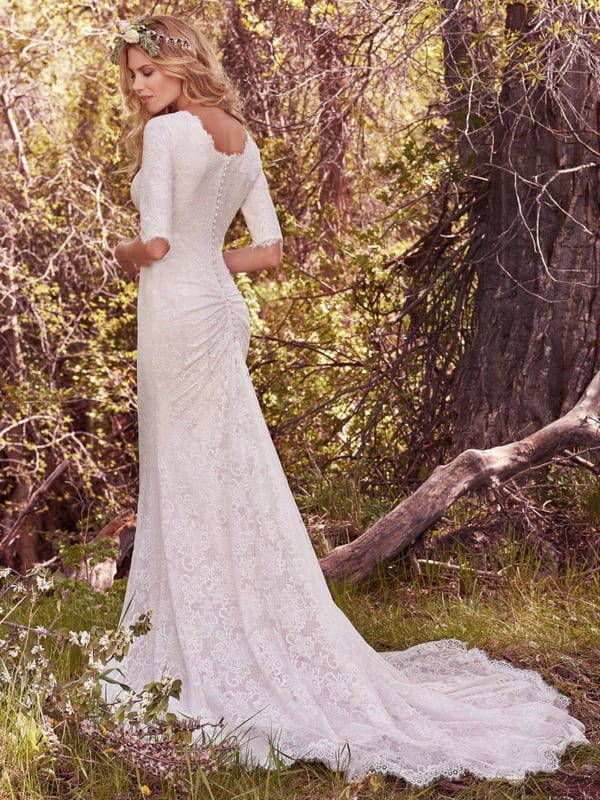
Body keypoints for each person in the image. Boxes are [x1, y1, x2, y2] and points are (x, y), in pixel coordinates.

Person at [108, 14, 587, 786]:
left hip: (175, 310)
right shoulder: (237, 133)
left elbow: (156, 246)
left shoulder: (168, 137)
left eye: (145, 72)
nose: (137, 87)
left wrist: (122, 249)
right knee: (224, 465)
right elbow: (269, 249)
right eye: (130, 74)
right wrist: (208, 259)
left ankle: (207, 640)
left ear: (182, 64)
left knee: (189, 469)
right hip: (220, 307)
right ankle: (232, 619)